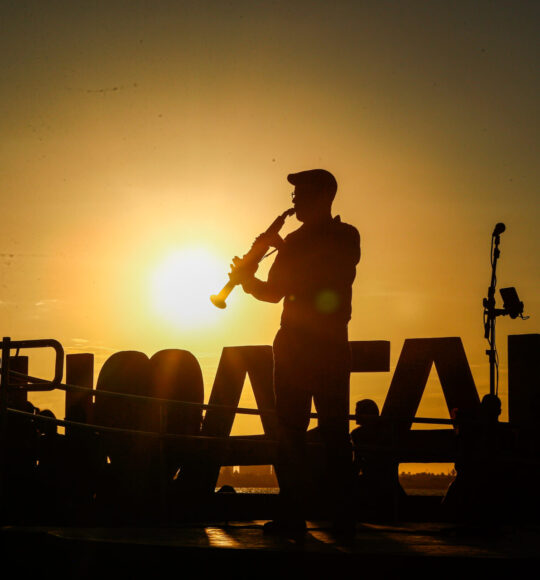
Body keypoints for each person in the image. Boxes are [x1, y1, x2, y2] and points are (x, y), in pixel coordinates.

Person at [229, 169, 360, 534]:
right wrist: (249, 279)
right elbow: (275, 290)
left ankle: (339, 514)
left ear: (323, 196)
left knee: (332, 432)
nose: (294, 199)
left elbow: (321, 276)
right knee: (291, 433)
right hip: (297, 346)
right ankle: (296, 514)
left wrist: (280, 250)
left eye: (301, 193)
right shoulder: (298, 240)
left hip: (323, 345)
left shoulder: (345, 235)